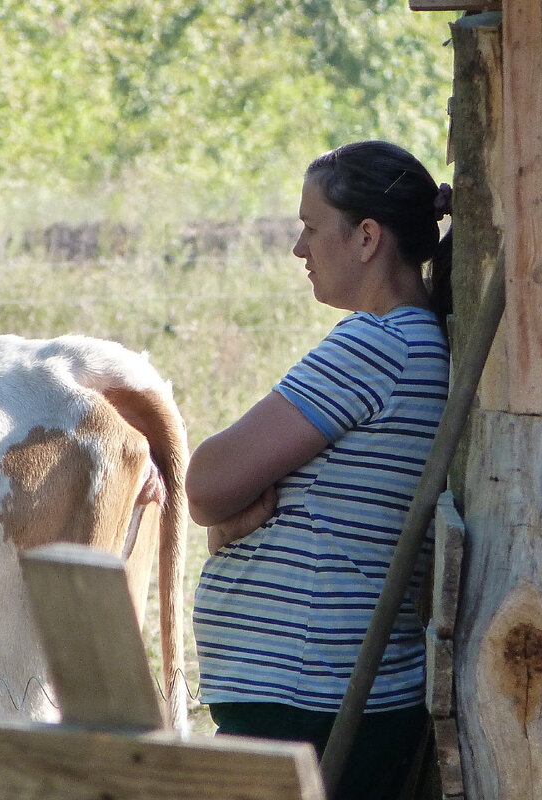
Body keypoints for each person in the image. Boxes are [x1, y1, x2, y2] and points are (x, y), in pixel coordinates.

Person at [188, 140, 453, 800]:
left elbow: (208, 481)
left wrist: (232, 518)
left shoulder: (378, 344)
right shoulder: (415, 343)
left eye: (310, 228)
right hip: (321, 698)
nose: (299, 249)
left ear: (366, 237)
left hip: (312, 698)